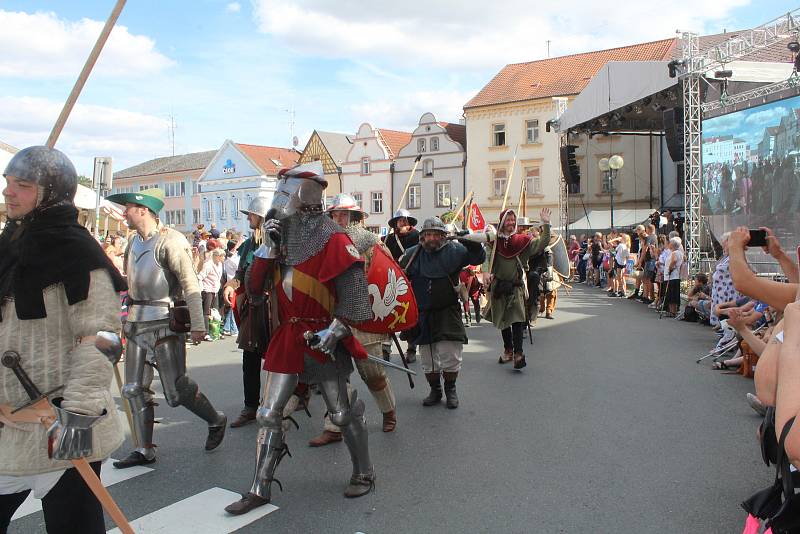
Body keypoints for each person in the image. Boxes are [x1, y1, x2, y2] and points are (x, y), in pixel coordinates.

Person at [225, 162, 376, 515]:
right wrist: (268, 250)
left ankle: (364, 471)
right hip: (288, 336)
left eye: (284, 194)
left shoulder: (335, 239)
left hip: (323, 337)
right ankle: (259, 488)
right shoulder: (283, 240)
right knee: (267, 413)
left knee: (340, 413)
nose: (278, 204)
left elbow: (355, 296)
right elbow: (255, 288)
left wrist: (335, 330)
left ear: (302, 197)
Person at [0, 146, 127, 532]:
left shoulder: (78, 252)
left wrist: (77, 420)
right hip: (11, 427)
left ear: (49, 192)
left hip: (60, 423)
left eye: (22, 185)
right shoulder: (11, 245)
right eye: (8, 183)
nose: (9, 192)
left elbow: (101, 337)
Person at [106, 187, 227, 468]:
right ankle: (144, 448)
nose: (124, 212)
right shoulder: (133, 242)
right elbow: (128, 284)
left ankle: (215, 419)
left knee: (176, 391)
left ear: (144, 210)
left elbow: (190, 283)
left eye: (128, 207)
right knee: (134, 389)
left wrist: (199, 323)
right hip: (136, 322)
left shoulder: (171, 241)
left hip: (164, 323)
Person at [307, 193, 397, 447]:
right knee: (335, 375)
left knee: (372, 373)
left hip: (363, 316)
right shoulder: (321, 244)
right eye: (334, 215)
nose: (339, 219)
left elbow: (388, 276)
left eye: (344, 214)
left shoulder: (371, 244)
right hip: (333, 317)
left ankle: (388, 411)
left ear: (355, 217)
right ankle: (334, 425)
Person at [401, 217, 487, 408]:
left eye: (436, 234)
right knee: (428, 357)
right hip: (422, 313)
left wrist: (469, 242)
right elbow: (399, 277)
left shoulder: (455, 251)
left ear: (443, 236)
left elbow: (478, 258)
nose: (431, 238)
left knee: (450, 355)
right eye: (428, 234)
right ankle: (435, 390)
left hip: (448, 310)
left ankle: (450, 390)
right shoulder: (412, 255)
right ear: (422, 236)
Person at [484, 208, 551, 369]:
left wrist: (546, 224)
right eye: (508, 220)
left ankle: (519, 354)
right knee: (504, 320)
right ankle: (508, 350)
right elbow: (486, 258)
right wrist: (485, 272)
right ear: (502, 222)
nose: (511, 222)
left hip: (515, 287)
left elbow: (542, 242)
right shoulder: (494, 242)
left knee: (517, 319)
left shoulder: (522, 241)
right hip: (499, 287)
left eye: (513, 220)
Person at [229, 196, 271, 428]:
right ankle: (250, 406)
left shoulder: (276, 241)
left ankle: (281, 402)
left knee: (278, 359)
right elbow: (240, 275)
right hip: (253, 309)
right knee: (250, 358)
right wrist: (230, 286)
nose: (248, 218)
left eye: (251, 215)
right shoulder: (249, 245)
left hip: (274, 308)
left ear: (261, 217)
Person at [384, 209, 420, 363]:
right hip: (393, 280)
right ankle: (385, 348)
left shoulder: (418, 237)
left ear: (409, 222)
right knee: (389, 314)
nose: (402, 223)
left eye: (405, 220)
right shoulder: (388, 239)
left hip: (412, 280)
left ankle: (411, 347)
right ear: (395, 223)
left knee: (411, 314)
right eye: (399, 221)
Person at [198, 248, 225, 340]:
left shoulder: (220, 265)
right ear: (217, 256)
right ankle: (206, 332)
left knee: (215, 311)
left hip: (215, 290)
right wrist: (202, 289)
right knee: (206, 311)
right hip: (207, 290)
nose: (223, 258)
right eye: (222, 256)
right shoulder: (208, 265)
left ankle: (216, 331)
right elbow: (200, 277)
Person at [663, 237, 684, 317]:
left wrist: (670, 268)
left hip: (672, 276)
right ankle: (673, 311)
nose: (669, 244)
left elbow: (674, 261)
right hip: (675, 276)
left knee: (671, 294)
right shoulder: (679, 252)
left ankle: (672, 311)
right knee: (673, 294)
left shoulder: (674, 253)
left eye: (670, 243)